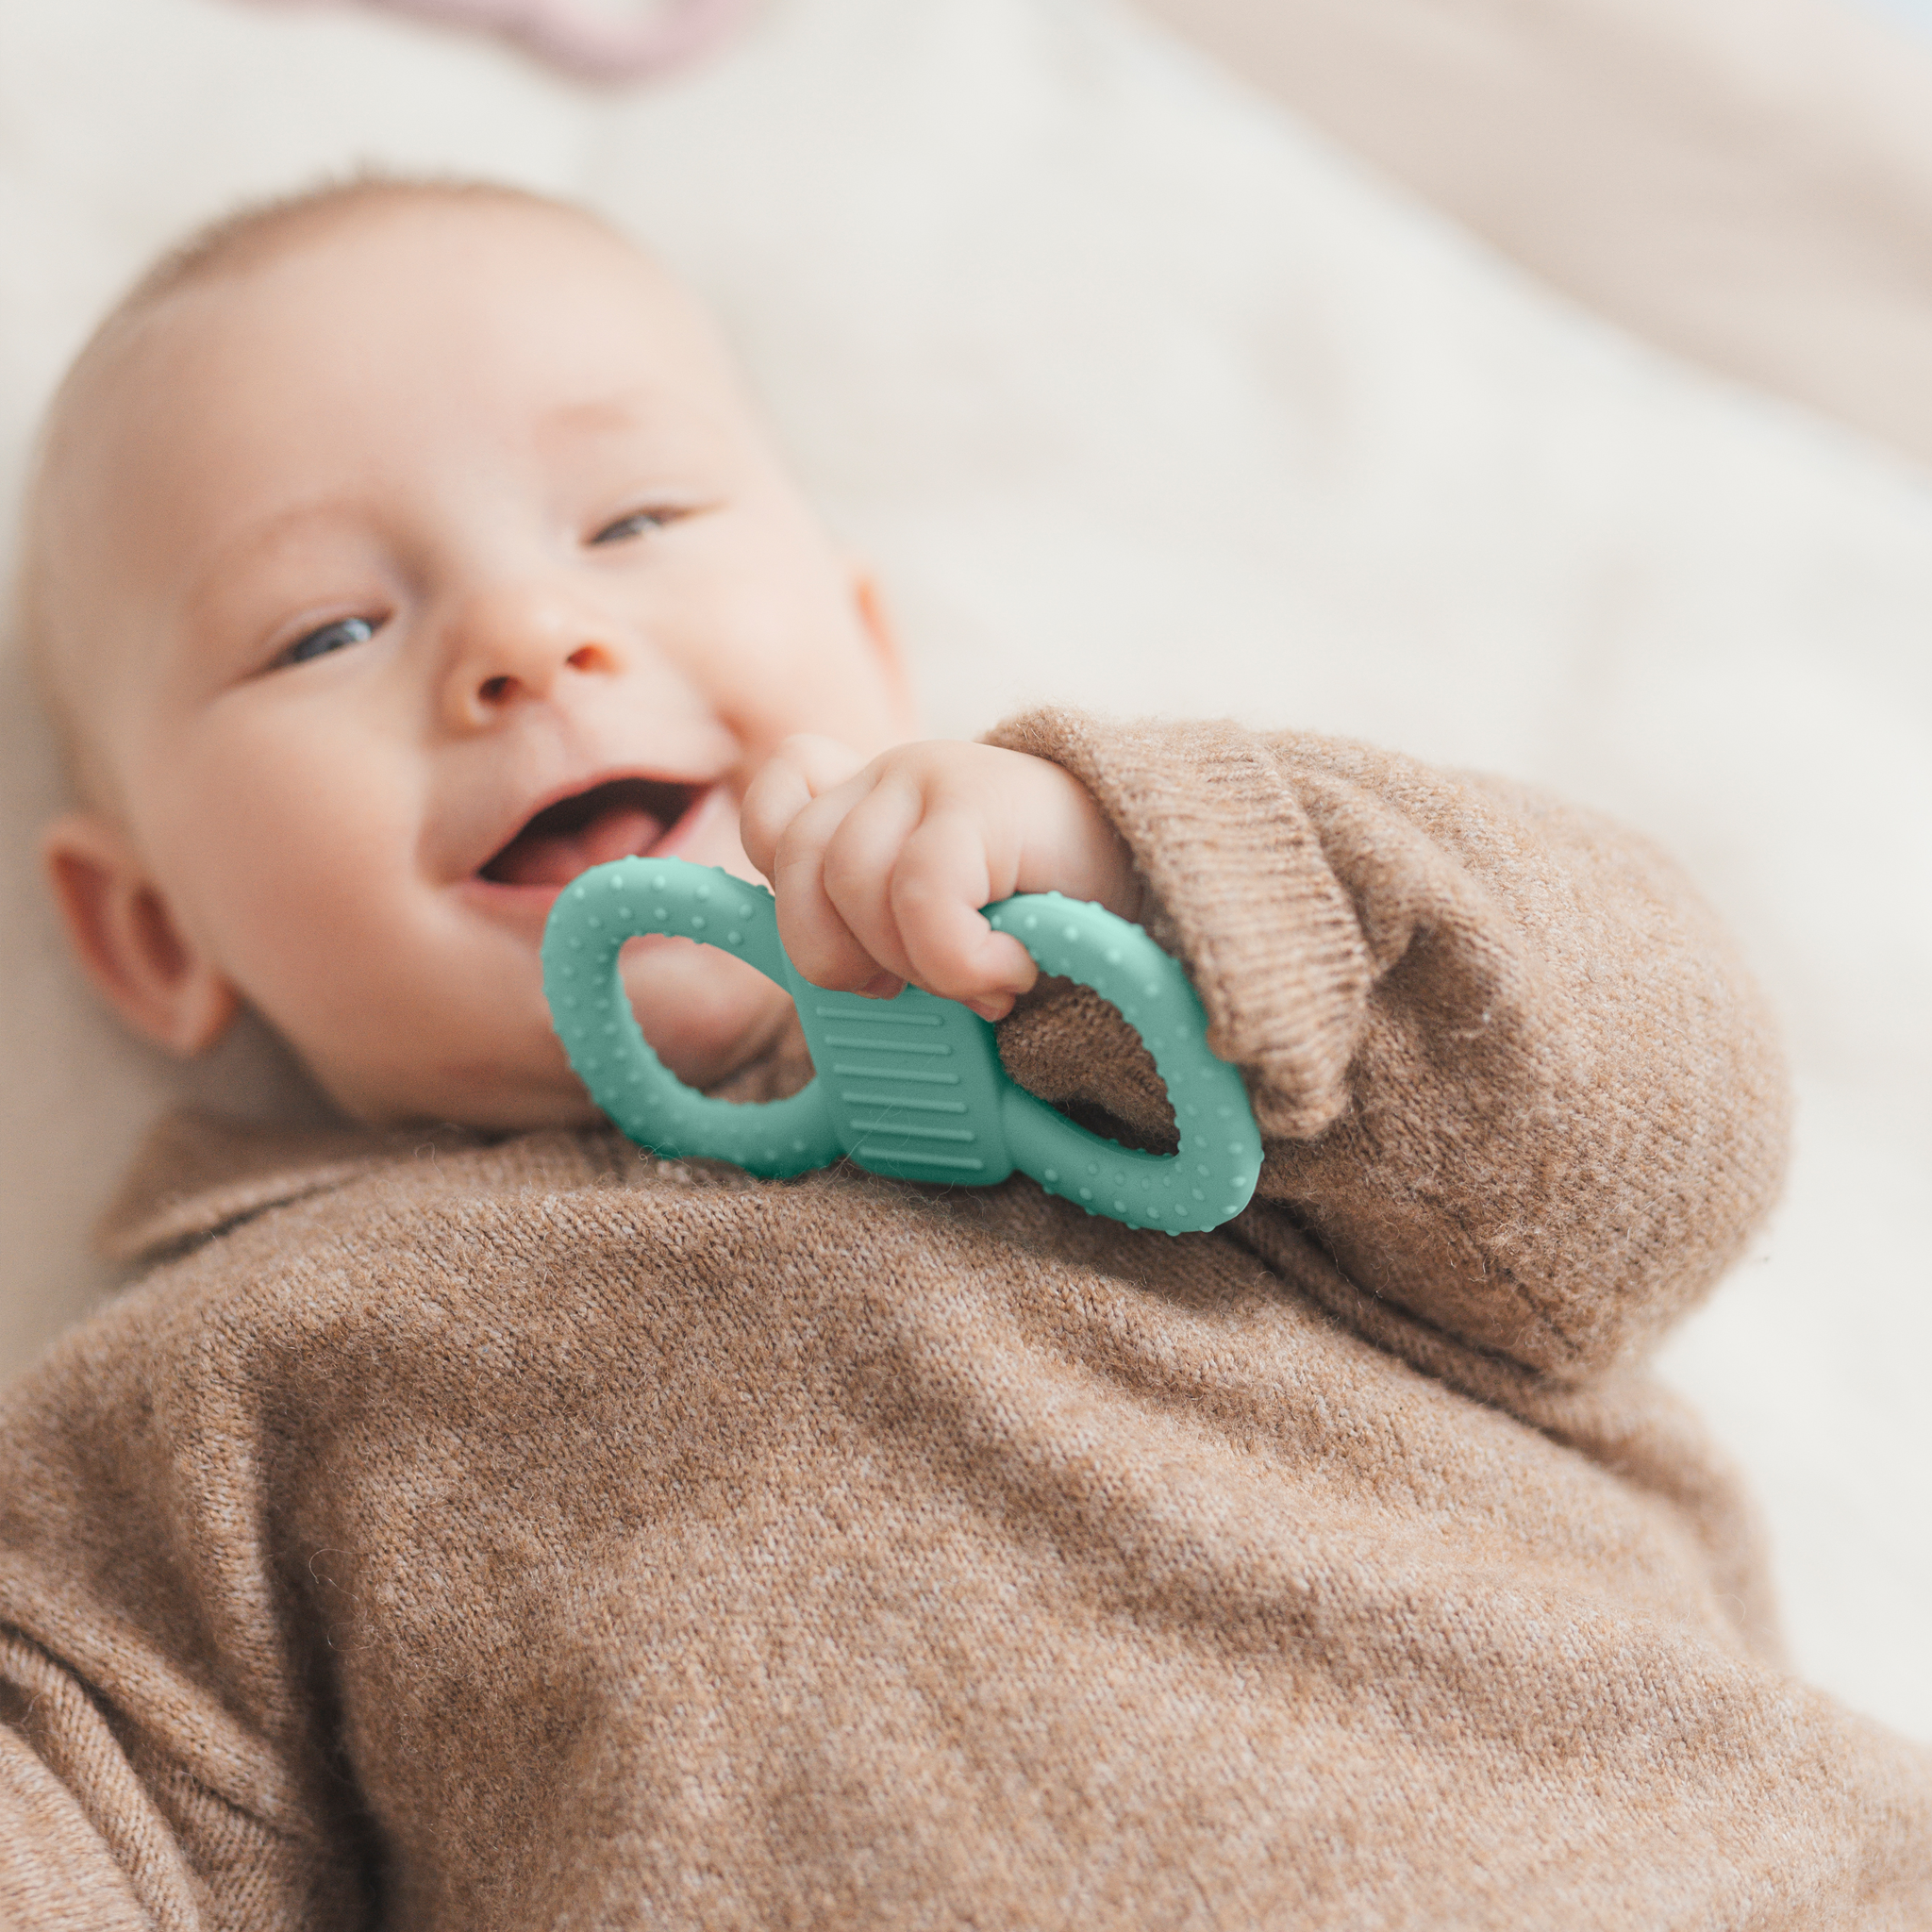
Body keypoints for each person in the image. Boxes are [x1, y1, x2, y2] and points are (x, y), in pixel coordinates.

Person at [3, 175, 1926, 1929]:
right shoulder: (216, 1398)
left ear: (862, 638)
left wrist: (1169, 874)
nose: (526, 635)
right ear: (151, 930)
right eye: (324, 628)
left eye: (635, 520)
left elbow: (1657, 1134)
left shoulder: (1159, 1024)